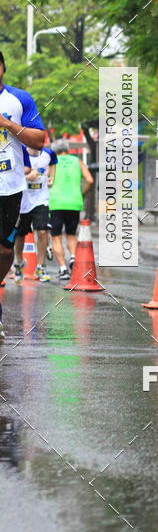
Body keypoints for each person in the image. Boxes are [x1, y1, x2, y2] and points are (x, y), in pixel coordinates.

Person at [0, 51, 46, 338]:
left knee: (5, 251)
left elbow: (39, 141)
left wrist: (9, 125)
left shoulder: (19, 99)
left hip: (10, 188)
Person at [49, 140, 94, 281]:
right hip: (74, 202)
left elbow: (48, 180)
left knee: (56, 236)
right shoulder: (78, 161)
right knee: (71, 234)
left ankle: (63, 269)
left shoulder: (52, 162)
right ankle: (74, 258)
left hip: (56, 202)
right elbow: (90, 180)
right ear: (67, 149)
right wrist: (82, 194)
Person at [13, 144, 57, 282]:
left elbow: (53, 162)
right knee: (20, 236)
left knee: (43, 231)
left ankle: (40, 267)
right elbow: (12, 174)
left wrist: (52, 178)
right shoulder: (20, 152)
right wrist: (27, 177)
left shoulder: (48, 153)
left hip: (41, 199)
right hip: (23, 201)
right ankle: (19, 264)